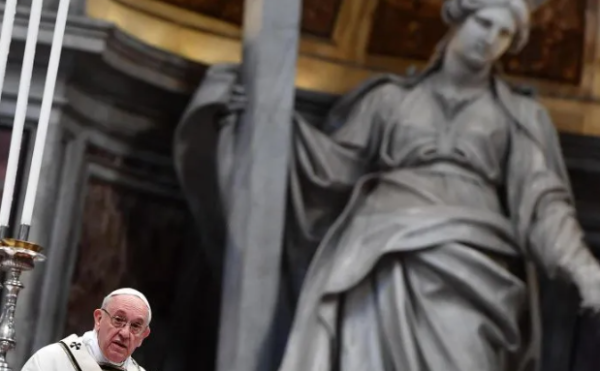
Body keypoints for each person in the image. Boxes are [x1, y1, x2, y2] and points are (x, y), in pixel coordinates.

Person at [175, 0, 600, 370]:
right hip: (378, 252)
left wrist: (585, 270)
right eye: (484, 23)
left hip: (473, 266)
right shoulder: (388, 99)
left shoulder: (520, 116)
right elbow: (329, 170)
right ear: (458, 19)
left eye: (505, 33)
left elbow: (545, 205)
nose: (490, 39)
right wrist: (264, 120)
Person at [22, 288, 151, 371]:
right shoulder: (51, 360)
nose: (124, 333)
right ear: (99, 319)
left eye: (135, 326)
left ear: (143, 336)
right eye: (118, 319)